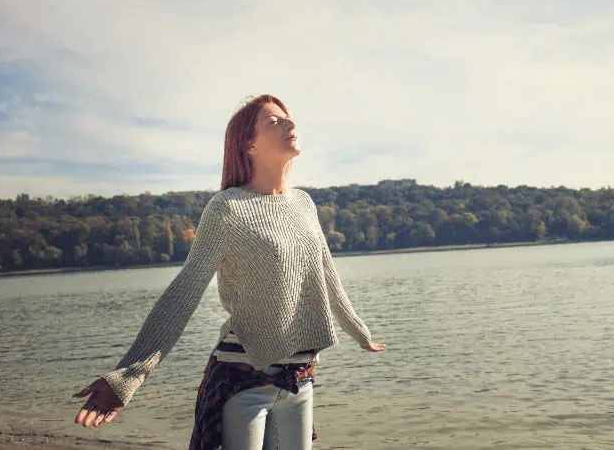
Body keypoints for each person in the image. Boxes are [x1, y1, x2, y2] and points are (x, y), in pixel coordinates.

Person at [73, 94, 386, 450]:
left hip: (300, 380)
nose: (290, 125)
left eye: (288, 118)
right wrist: (130, 374)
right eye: (274, 122)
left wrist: (359, 332)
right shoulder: (227, 209)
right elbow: (183, 294)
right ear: (248, 144)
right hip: (242, 380)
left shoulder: (304, 203)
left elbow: (328, 277)